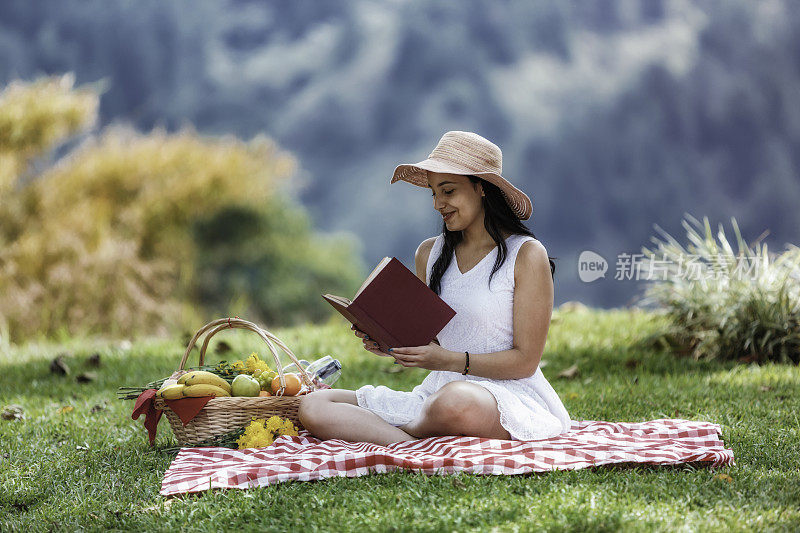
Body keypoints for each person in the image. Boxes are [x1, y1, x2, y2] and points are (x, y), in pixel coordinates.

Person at [298, 131, 571, 445]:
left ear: (481, 188)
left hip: (506, 396)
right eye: (433, 193)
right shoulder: (429, 254)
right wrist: (388, 341)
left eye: (449, 191)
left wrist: (448, 361)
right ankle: (411, 445)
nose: (438, 204)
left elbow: (525, 362)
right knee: (313, 405)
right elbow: (433, 343)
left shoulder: (525, 254)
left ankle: (396, 434)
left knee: (456, 402)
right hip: (437, 393)